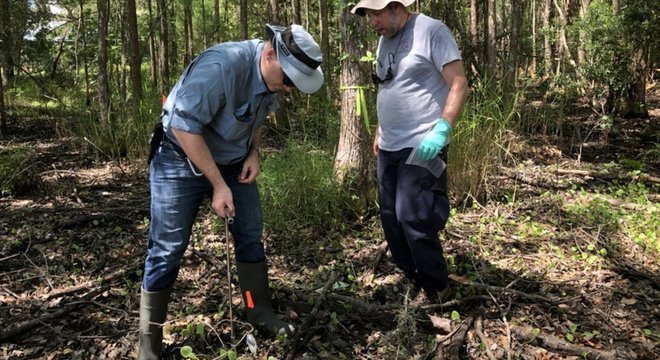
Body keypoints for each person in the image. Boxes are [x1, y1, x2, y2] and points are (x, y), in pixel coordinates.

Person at [138, 24, 324, 359]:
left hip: (233, 160)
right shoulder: (222, 66)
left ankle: (257, 310)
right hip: (179, 155)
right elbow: (183, 125)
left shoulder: (273, 77)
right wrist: (218, 184)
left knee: (250, 234)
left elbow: (257, 119)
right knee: (167, 249)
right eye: (288, 80)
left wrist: (253, 153)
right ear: (270, 54)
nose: (289, 89)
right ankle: (148, 344)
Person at [351, 0, 468, 301]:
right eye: (368, 15)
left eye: (376, 13)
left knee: (413, 216)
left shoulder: (432, 31)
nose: (372, 21)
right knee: (390, 216)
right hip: (390, 145)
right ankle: (413, 279)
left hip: (424, 142)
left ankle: (438, 288)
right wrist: (380, 129)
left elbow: (458, 83)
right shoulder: (383, 41)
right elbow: (388, 86)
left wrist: (443, 129)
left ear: (395, 7)